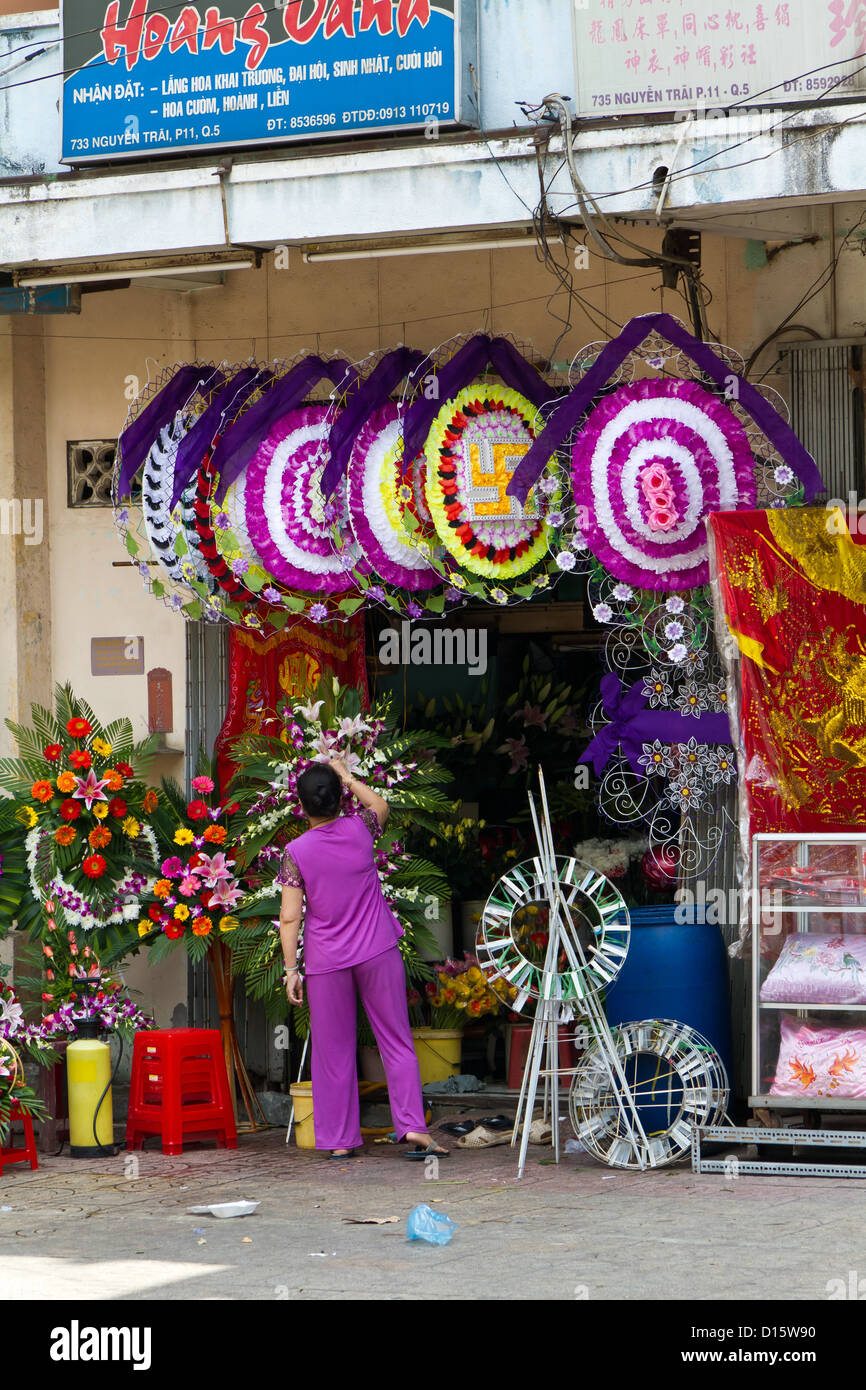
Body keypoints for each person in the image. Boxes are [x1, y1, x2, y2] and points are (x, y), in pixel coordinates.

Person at [278, 756, 448, 1160]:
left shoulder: (295, 851)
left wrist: (290, 970)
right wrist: (348, 776)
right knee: (396, 1041)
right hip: (377, 949)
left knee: (332, 1050)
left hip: (326, 961)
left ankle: (338, 1142)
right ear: (339, 799)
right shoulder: (360, 829)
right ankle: (413, 1130)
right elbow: (381, 806)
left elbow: (289, 917)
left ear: (301, 806)